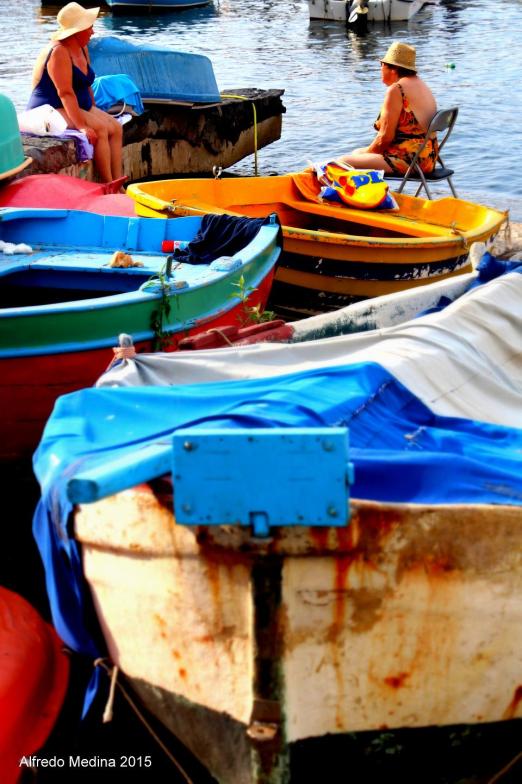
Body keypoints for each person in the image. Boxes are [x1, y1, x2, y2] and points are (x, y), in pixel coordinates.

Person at [27, 2, 123, 183]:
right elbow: (65, 93)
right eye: (90, 28)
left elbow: (87, 83)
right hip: (51, 108)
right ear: (77, 31)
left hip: (75, 104)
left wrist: (94, 108)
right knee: (100, 129)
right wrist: (82, 126)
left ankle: (119, 182)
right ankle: (109, 184)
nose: (93, 32)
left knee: (116, 128)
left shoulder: (82, 48)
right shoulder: (58, 52)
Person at [339, 41, 438, 175]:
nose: (380, 68)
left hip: (411, 162)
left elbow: (385, 138)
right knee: (356, 153)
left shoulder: (397, 89)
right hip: (428, 159)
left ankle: (362, 195)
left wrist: (365, 154)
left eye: (382, 64)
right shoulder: (421, 84)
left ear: (393, 68)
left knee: (342, 162)